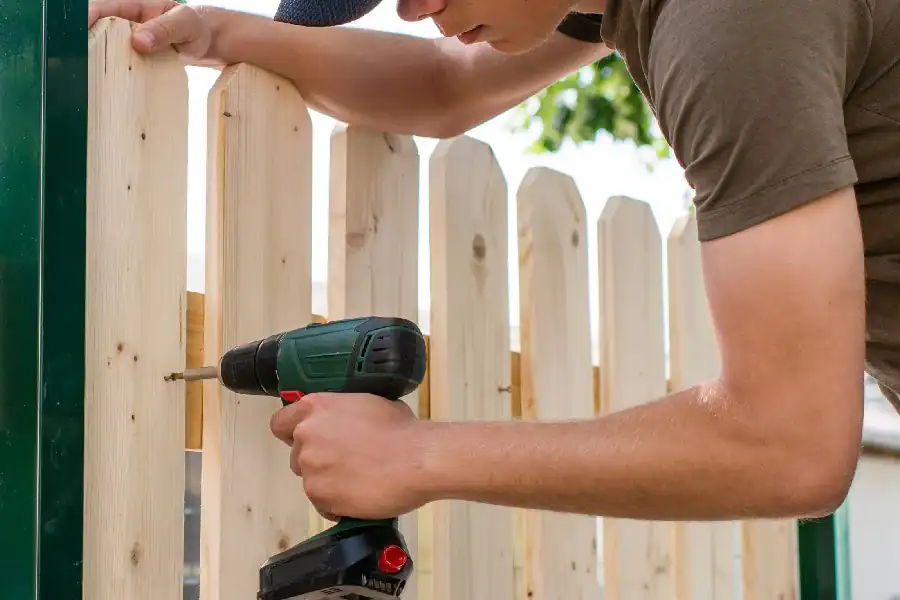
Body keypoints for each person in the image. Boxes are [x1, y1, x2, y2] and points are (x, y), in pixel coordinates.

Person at [88, 0, 900, 524]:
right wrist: (223, 33)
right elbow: (449, 87)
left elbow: (787, 445)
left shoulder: (728, 26)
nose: (413, 9)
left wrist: (418, 456)